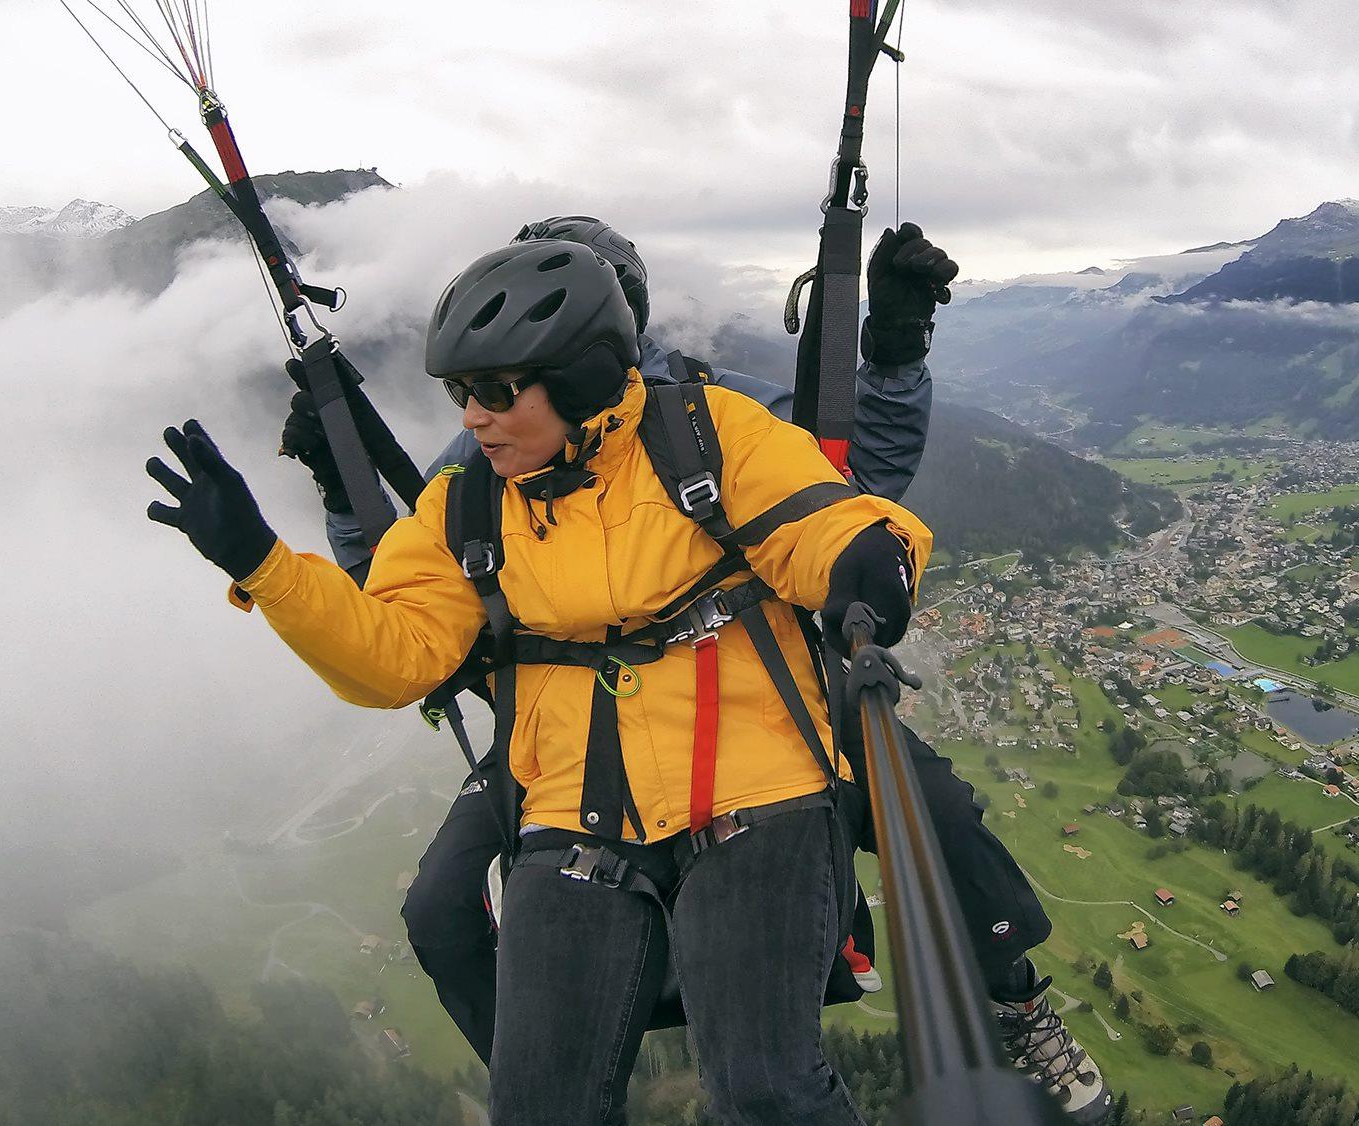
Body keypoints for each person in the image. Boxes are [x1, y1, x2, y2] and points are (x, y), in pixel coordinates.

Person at [283, 216, 1112, 1122]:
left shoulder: (702, 415)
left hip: (752, 678)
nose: (477, 411)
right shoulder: (501, 448)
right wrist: (340, 486)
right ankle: (551, 1065)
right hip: (566, 717)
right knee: (441, 910)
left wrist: (894, 350)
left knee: (936, 814)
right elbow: (412, 584)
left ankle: (1013, 1001)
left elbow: (844, 484)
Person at [149, 238, 931, 1124]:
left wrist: (867, 560)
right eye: (460, 392)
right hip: (575, 805)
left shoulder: (707, 434)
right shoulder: (466, 504)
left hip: (758, 783)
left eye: (494, 390)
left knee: (765, 1088)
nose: (472, 417)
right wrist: (261, 563)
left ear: (582, 378)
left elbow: (815, 519)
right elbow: (397, 657)